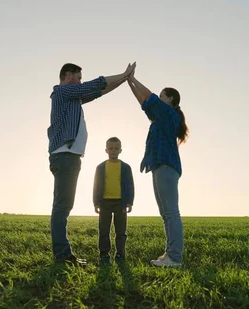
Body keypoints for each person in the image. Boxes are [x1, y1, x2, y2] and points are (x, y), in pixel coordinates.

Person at [47, 62, 136, 266]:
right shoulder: (62, 92)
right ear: (68, 76)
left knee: (63, 205)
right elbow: (96, 84)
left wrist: (123, 80)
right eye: (78, 77)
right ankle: (62, 255)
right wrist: (123, 73)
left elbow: (99, 91)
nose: (80, 81)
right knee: (62, 206)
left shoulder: (73, 98)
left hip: (69, 157)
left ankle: (62, 254)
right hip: (65, 156)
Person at [126, 71, 188, 268]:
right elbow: (144, 103)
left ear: (170, 100)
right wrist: (129, 82)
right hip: (159, 165)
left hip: (167, 165)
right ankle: (169, 254)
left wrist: (133, 78)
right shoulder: (160, 116)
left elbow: (149, 96)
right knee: (165, 213)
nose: (159, 99)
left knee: (171, 212)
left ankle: (175, 258)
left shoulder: (170, 114)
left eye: (162, 96)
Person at [92, 137, 135, 265]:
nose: (113, 151)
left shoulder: (126, 167)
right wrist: (95, 202)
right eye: (110, 148)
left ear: (120, 150)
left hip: (120, 203)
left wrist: (130, 202)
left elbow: (130, 185)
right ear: (106, 150)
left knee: (121, 231)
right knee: (104, 230)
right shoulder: (100, 167)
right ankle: (104, 255)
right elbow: (96, 185)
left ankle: (120, 254)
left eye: (116, 148)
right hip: (104, 203)